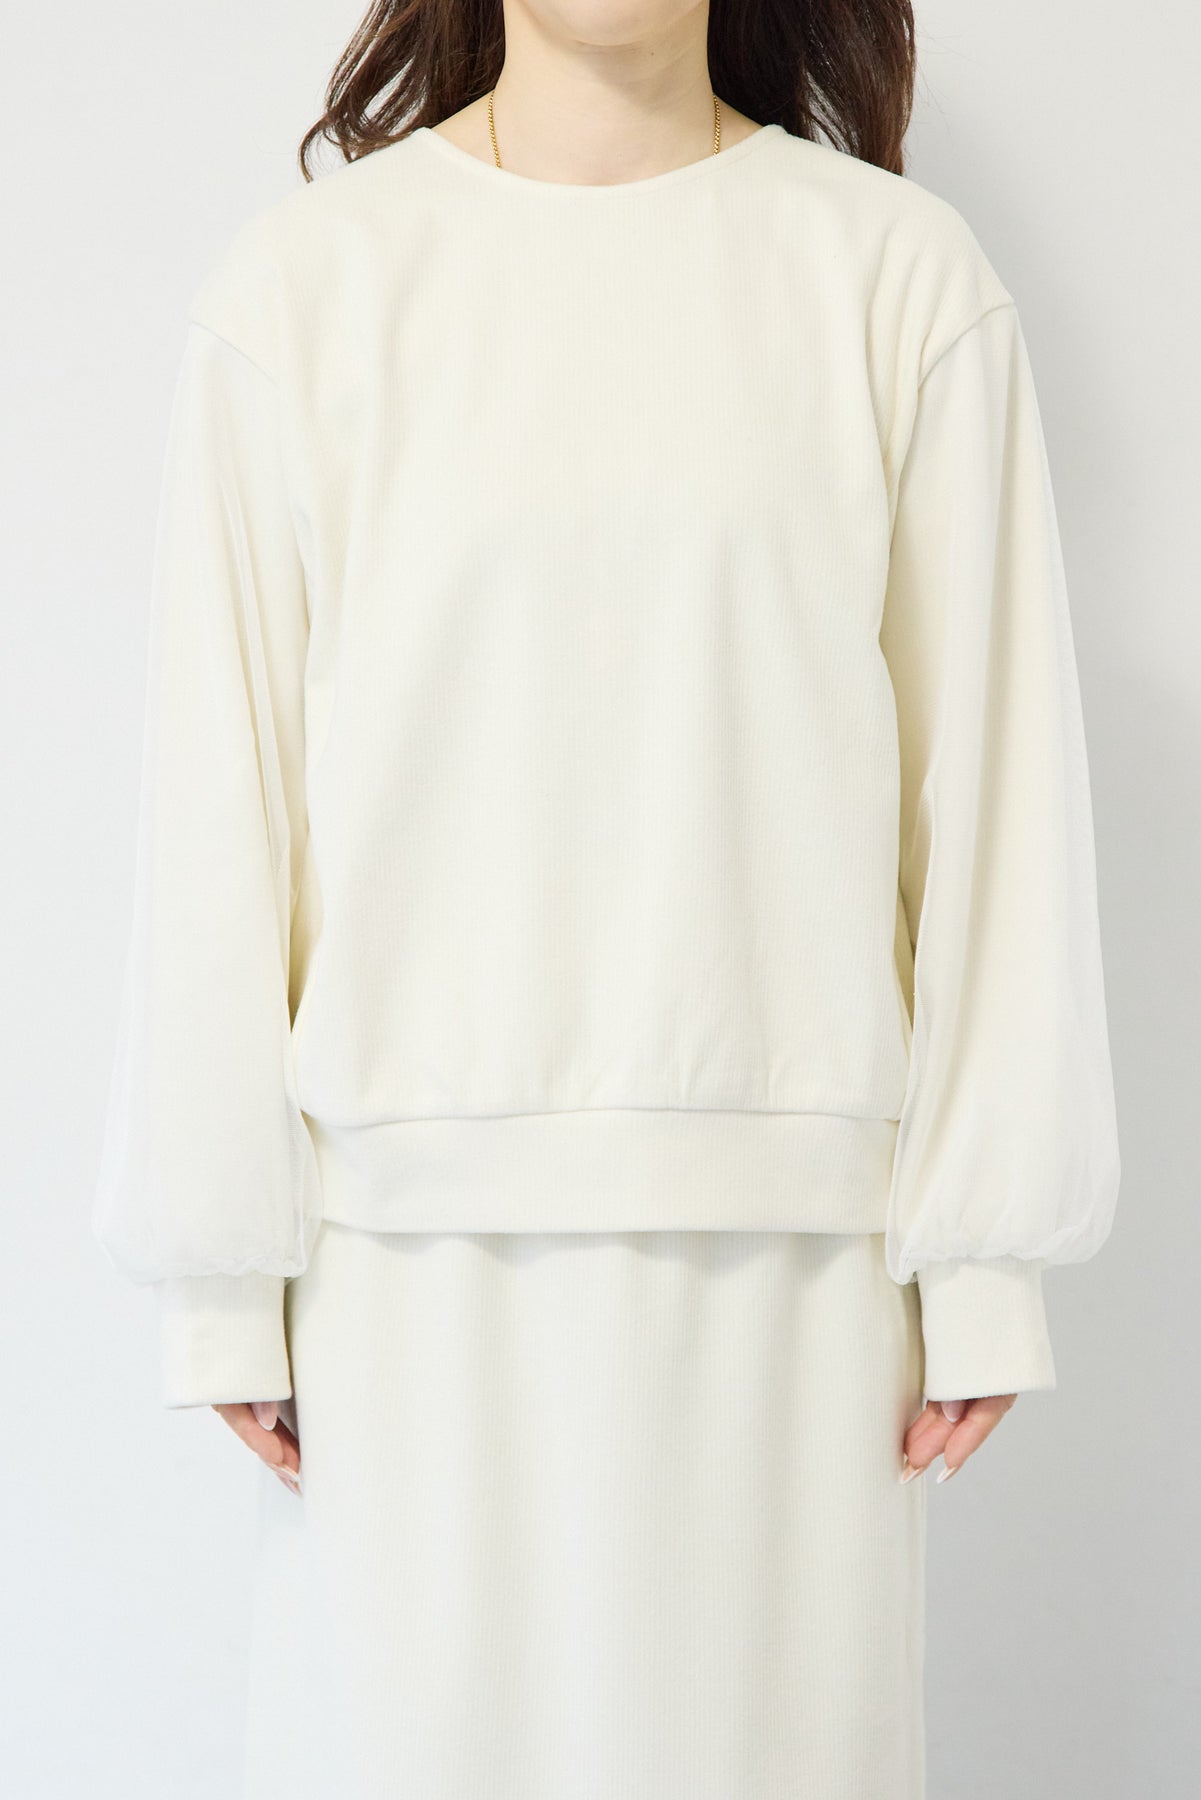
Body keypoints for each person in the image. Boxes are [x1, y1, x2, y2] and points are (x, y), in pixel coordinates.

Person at [91, 2, 1121, 1794]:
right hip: (405, 1282)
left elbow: (988, 782)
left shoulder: (892, 279)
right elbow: (222, 808)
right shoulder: (307, 291)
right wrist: (221, 1278)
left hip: (791, 1275)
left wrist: (979, 1266)